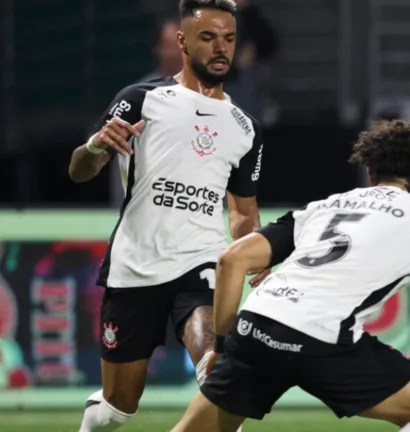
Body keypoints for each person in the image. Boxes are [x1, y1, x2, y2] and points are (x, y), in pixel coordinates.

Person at [170, 119, 410, 432]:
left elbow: (231, 260)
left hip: (257, 325)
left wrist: (223, 347)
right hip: (322, 338)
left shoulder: (325, 206)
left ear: (370, 173)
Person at [68, 1, 265, 431]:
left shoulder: (245, 126)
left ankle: (218, 390)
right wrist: (97, 145)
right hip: (135, 266)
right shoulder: (140, 100)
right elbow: (79, 170)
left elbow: (242, 212)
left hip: (201, 261)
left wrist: (255, 251)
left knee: (217, 366)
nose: (221, 48)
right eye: (208, 37)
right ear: (182, 41)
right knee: (117, 409)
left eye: (229, 39)